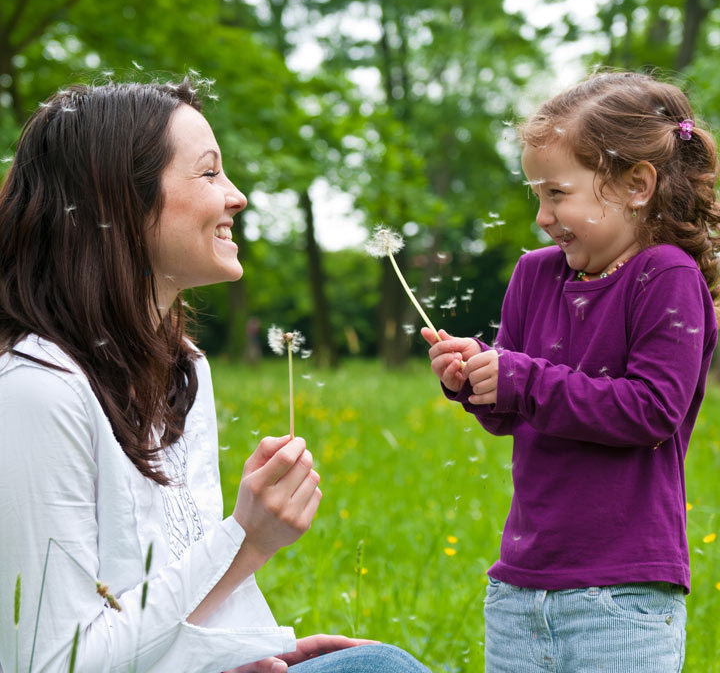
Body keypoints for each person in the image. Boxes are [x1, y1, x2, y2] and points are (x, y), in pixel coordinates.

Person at [0, 80, 429, 673]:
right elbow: (53, 664)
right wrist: (246, 541)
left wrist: (250, 647)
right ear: (119, 200)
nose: (237, 197)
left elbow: (167, 588)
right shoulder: (36, 390)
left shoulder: (182, 370)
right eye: (208, 174)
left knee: (378, 664)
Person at [422, 71, 720, 672]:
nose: (542, 216)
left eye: (557, 194)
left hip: (624, 590)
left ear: (636, 185)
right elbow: (514, 413)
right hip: (521, 586)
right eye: (537, 195)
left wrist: (518, 378)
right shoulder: (535, 275)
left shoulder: (667, 277)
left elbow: (651, 411)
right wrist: (476, 378)